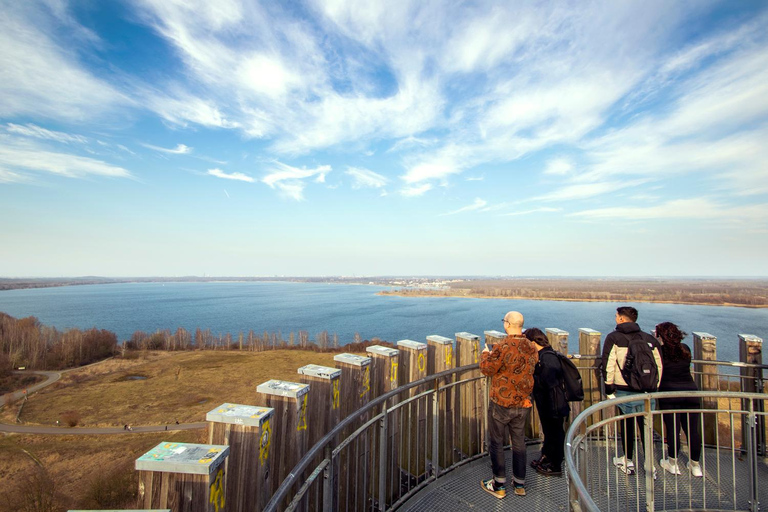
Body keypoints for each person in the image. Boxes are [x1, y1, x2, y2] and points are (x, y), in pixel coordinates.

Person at [479, 311, 538, 498]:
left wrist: (485, 355)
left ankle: (499, 485)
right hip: (523, 402)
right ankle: (519, 484)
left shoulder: (503, 345)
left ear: (507, 324)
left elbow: (487, 369)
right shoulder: (531, 346)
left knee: (497, 442)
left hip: (501, 403)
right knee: (519, 443)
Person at [601, 306, 663, 475]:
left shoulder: (614, 338)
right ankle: (649, 465)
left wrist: (608, 388)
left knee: (627, 425)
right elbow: (658, 366)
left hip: (624, 390)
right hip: (647, 391)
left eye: (616, 316)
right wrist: (654, 387)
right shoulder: (649, 339)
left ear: (621, 319)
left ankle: (628, 461)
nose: (615, 318)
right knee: (646, 427)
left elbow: (608, 365)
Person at [655, 322, 704, 477]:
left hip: (669, 393)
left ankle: (673, 462)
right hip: (690, 392)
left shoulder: (660, 352)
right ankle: (695, 465)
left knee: (672, 429)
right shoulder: (685, 349)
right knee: (692, 430)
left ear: (660, 336)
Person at [526, 328, 569, 476]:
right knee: (550, 432)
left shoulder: (548, 358)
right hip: (549, 402)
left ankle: (555, 465)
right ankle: (546, 457)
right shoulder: (544, 355)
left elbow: (551, 384)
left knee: (555, 432)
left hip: (553, 403)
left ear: (532, 342)